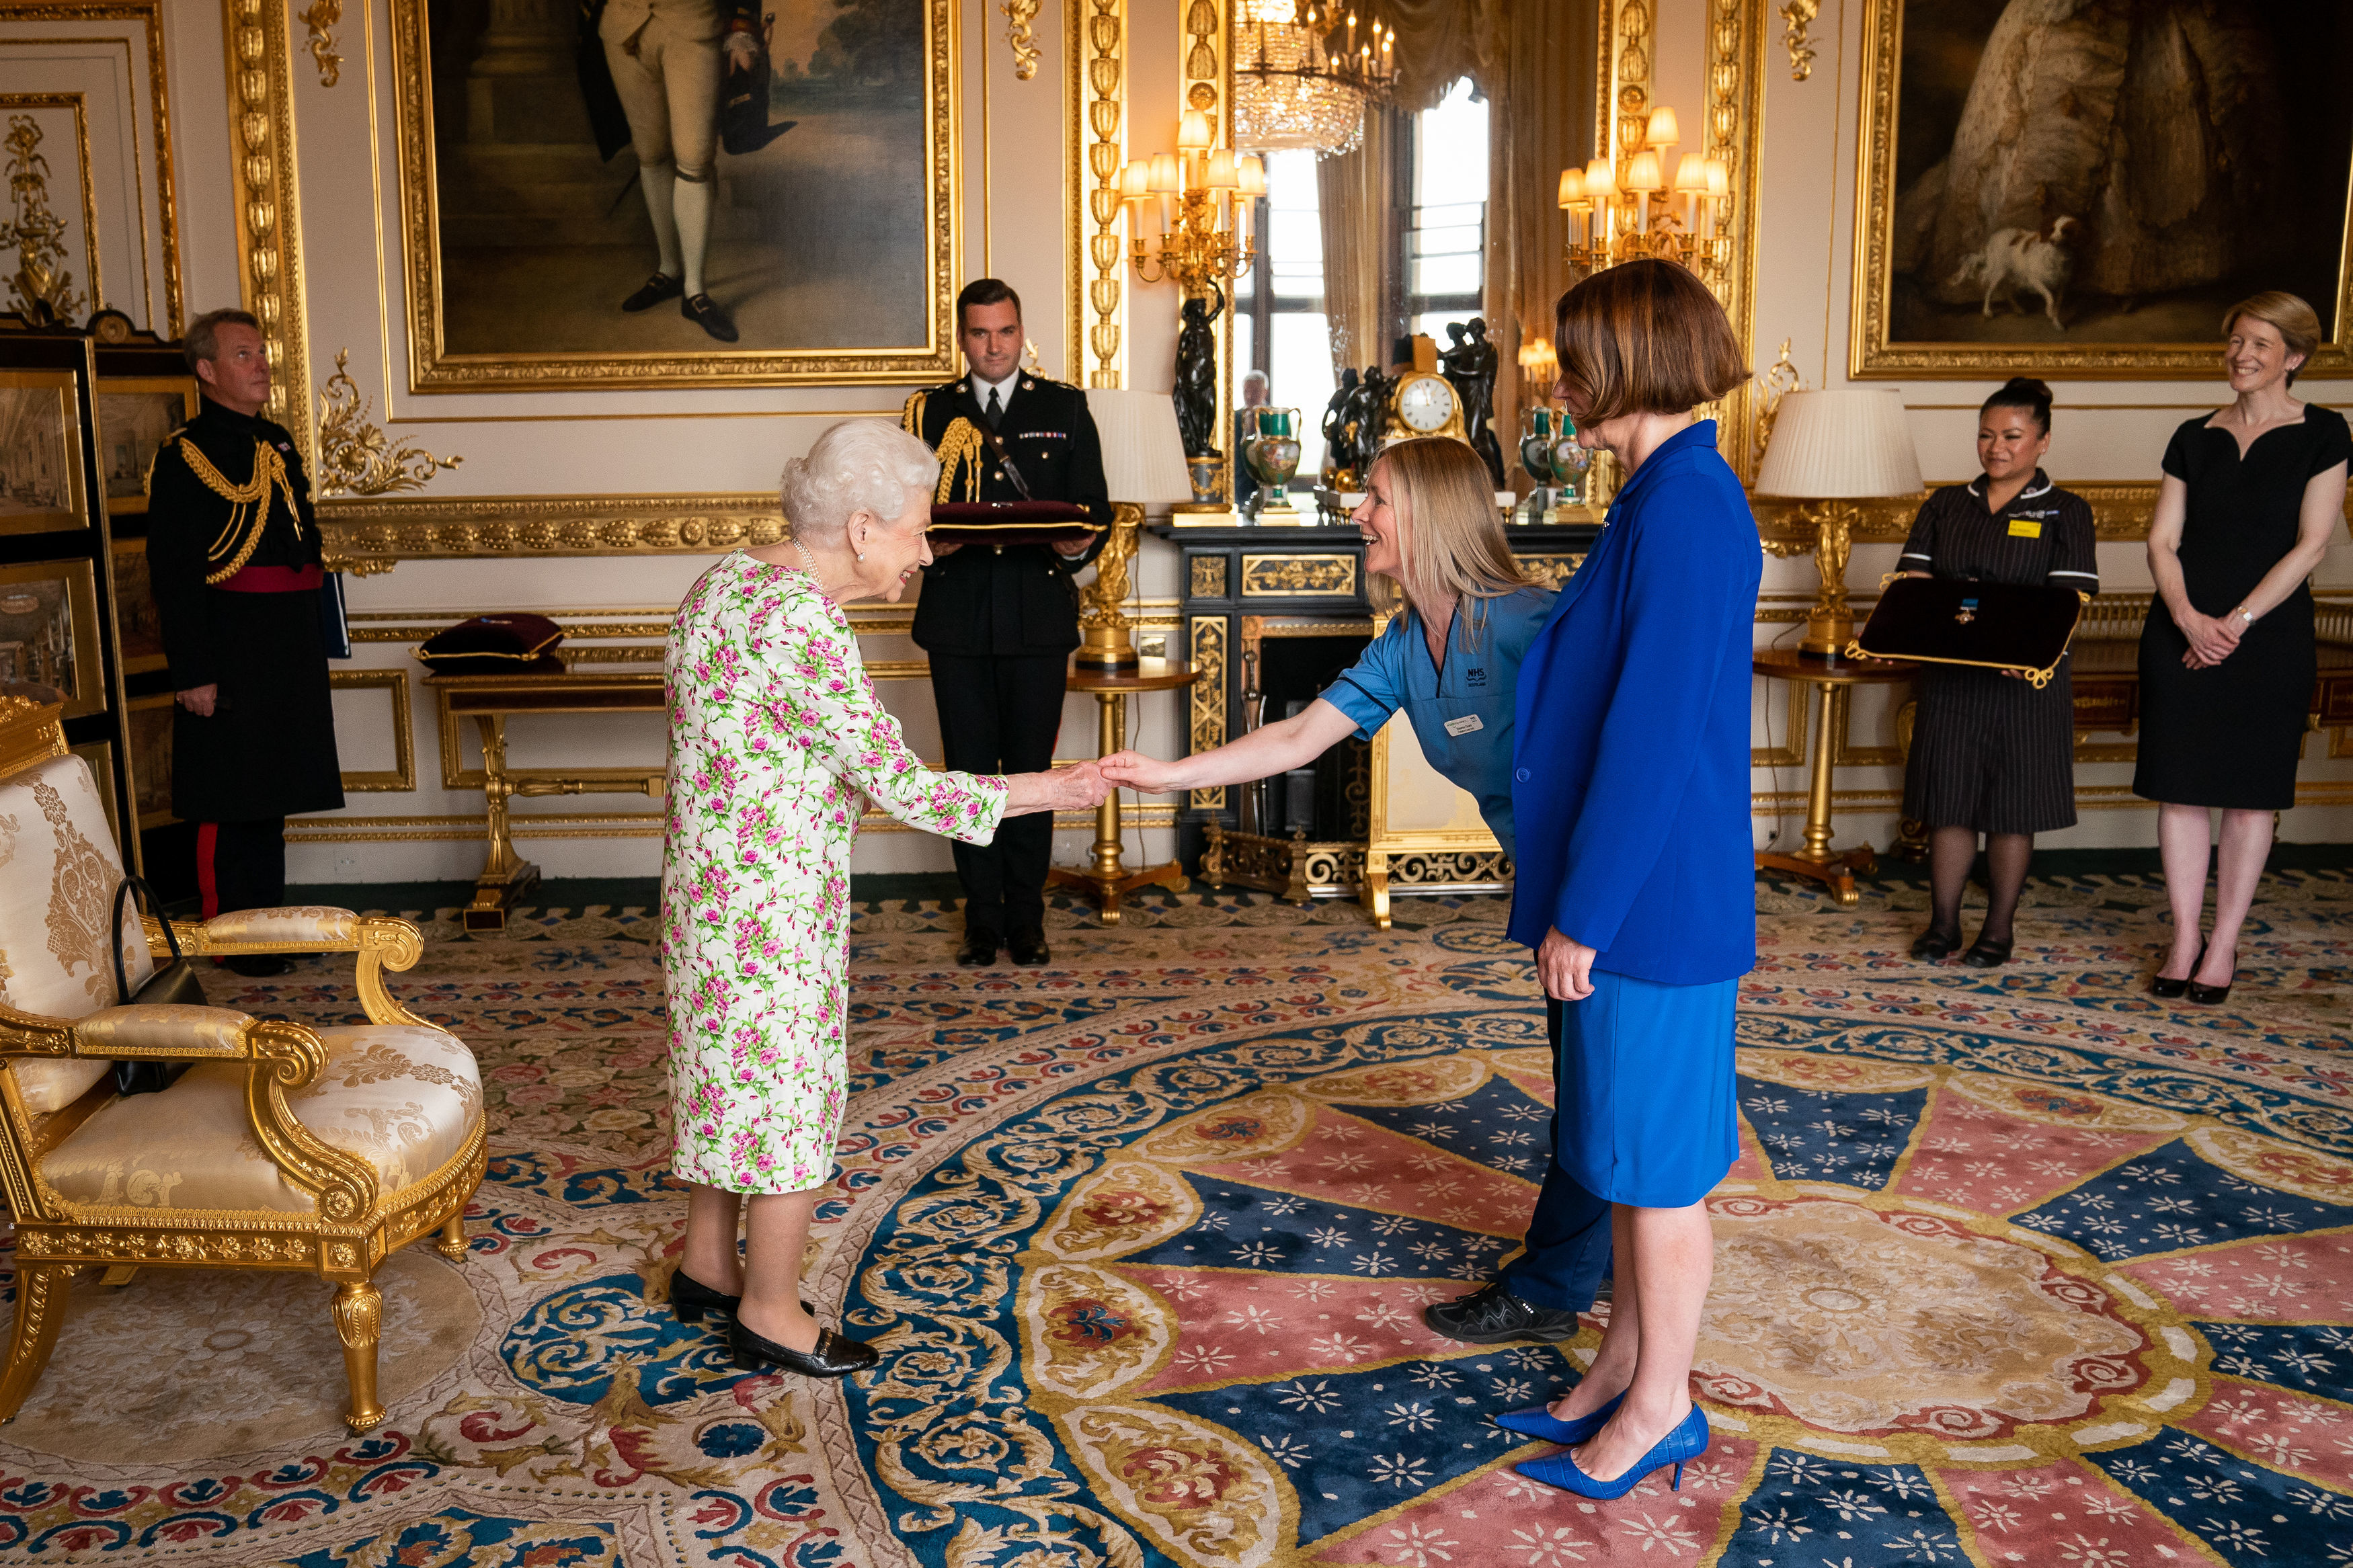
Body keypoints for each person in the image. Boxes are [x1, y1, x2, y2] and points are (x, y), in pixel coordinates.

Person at [1098, 439, 1609, 1322]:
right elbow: (1298, 739)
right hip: (1553, 884)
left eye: (1375, 499)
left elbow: (1624, 752)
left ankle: (1559, 1285)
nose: (1357, 512)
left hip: (1605, 884)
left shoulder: (1534, 622)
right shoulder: (1408, 642)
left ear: (1433, 516)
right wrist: (1166, 774)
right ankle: (1584, 1267)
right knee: (1588, 1081)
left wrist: (1598, 900)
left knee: (1603, 1088)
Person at [662, 419, 1105, 1377]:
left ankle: (706, 1263)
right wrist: (1051, 787)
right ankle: (770, 1310)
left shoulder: (724, 584)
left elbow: (769, 747)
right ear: (862, 528)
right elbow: (909, 788)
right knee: (784, 1098)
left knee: (723, 1078)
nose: (928, 552)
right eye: (916, 531)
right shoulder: (801, 622)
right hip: (771, 910)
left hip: (705, 894)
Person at [1493, 259, 1754, 1500]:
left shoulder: (1691, 506)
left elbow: (1651, 740)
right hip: (1634, 893)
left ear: (1629, 358)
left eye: (1573, 356)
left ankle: (1662, 1405)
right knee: (1622, 1150)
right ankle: (1620, 1364)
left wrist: (1583, 911)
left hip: (1650, 904)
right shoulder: (1660, 494)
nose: (1562, 379)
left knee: (1656, 1173)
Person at [2137, 292, 2350, 1004]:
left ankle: (2223, 940)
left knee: (2250, 798)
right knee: (2180, 790)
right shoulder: (2192, 434)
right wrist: (2188, 618)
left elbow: (2311, 543)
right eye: (2233, 340)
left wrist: (2234, 623)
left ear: (2292, 357)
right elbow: (2161, 539)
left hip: (2268, 633)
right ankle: (2183, 936)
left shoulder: (2324, 433)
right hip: (2180, 623)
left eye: (2257, 343)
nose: (2239, 354)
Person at [901, 278, 1111, 968]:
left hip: (1035, 616)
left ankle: (1026, 917)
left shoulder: (1063, 405)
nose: (993, 347)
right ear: (961, 338)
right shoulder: (928, 413)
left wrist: (1081, 543)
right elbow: (900, 514)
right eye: (978, 333)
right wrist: (930, 546)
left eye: (1005, 332)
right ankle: (978, 919)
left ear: (1022, 333)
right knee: (966, 774)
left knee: (1029, 771)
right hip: (958, 615)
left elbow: (1094, 508)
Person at [146, 308, 342, 977]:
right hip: (227, 647)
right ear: (206, 370)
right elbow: (174, 575)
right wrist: (192, 670)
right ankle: (228, 934)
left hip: (284, 646)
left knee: (272, 792)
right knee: (228, 799)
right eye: (243, 355)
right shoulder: (184, 457)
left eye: (260, 353)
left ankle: (271, 927)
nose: (261, 365)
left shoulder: (275, 445)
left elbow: (300, 543)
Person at [1898, 378, 2098, 967]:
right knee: (1949, 802)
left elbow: (2069, 600)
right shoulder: (1945, 504)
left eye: (2012, 436)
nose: (1996, 447)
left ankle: (1999, 932)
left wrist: (2024, 647)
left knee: (2013, 806)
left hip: (2026, 684)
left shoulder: (2067, 512)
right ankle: (1943, 925)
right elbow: (1916, 585)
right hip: (1954, 680)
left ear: (2043, 441)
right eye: (1986, 435)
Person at [590, 0, 760, 343]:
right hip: (623, 27)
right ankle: (668, 271)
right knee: (650, 153)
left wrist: (741, 29)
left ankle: (694, 292)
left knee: (695, 159)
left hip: (693, 21)